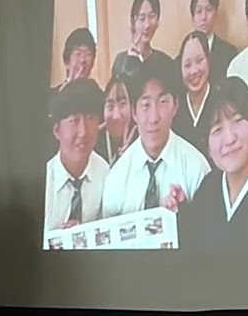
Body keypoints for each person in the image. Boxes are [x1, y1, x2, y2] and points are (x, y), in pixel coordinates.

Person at [182, 78, 248, 249]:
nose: (229, 139)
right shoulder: (207, 189)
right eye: (217, 129)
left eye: (238, 121)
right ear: (207, 146)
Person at [101, 62, 210, 219]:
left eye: (162, 102)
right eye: (145, 105)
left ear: (175, 106)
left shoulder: (196, 168)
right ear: (134, 112)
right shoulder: (117, 176)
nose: (154, 118)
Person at [44, 78, 109, 230]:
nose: (83, 132)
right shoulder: (46, 179)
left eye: (90, 118)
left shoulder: (105, 174)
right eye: (74, 120)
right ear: (57, 130)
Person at [172, 31, 219, 155]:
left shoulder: (221, 101)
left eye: (199, 61)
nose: (193, 71)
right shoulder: (175, 108)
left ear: (208, 60)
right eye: (187, 65)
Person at [111, 0, 174, 78]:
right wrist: (131, 61)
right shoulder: (121, 61)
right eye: (141, 18)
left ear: (157, 21)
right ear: (133, 22)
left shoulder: (165, 62)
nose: (147, 25)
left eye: (152, 16)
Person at [189, 0, 237, 79]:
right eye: (199, 11)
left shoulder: (229, 53)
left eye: (209, 10)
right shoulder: (183, 58)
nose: (204, 17)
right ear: (193, 18)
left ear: (216, 14)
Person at [97, 73, 137, 166]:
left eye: (122, 104)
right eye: (110, 106)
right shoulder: (94, 142)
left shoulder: (142, 141)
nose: (116, 116)